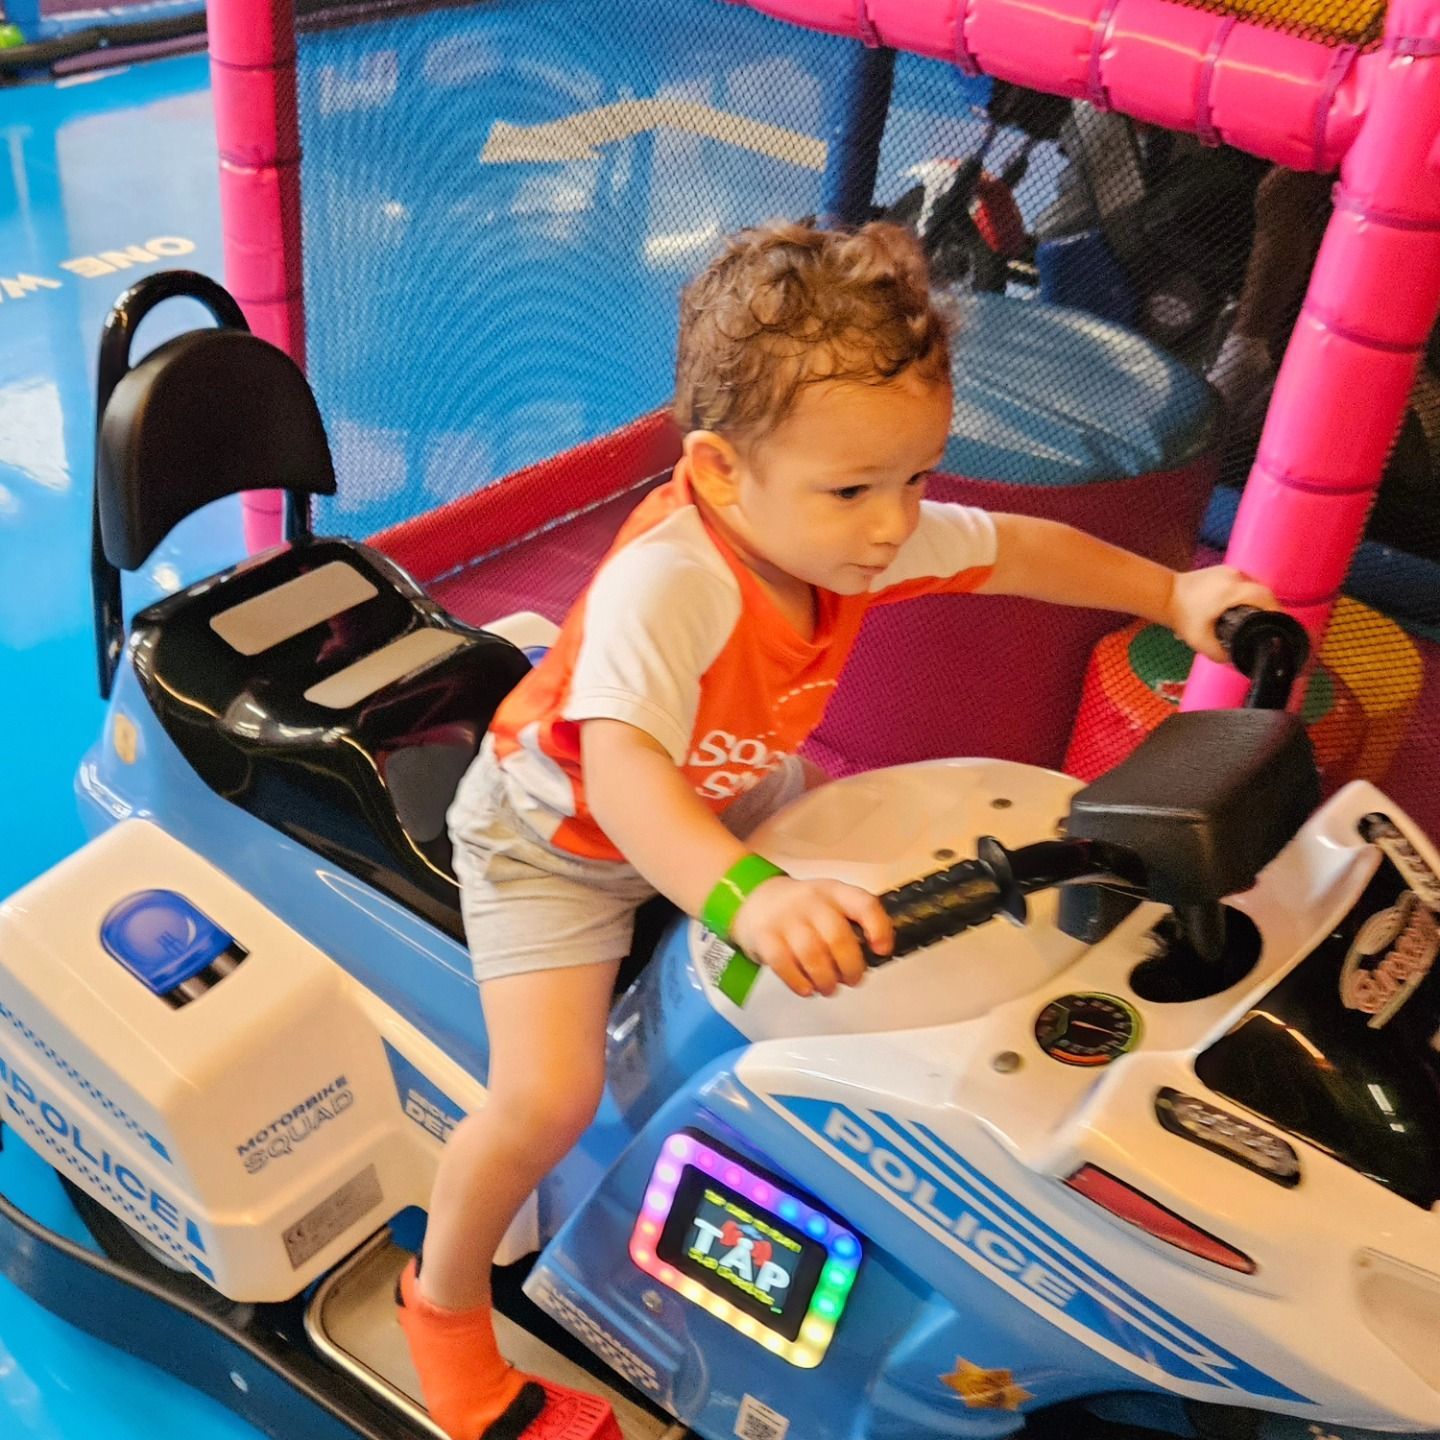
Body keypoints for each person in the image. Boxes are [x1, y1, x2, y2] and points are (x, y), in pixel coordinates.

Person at [396, 219, 1277, 1440]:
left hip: (731, 780)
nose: (892, 522)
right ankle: (439, 1311)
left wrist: (1174, 592)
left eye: (917, 476)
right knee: (545, 1096)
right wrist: (746, 894)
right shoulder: (679, 582)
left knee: (890, 881)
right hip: (565, 840)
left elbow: (1018, 549)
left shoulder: (849, 535)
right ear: (715, 472)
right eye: (856, 488)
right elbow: (629, 777)